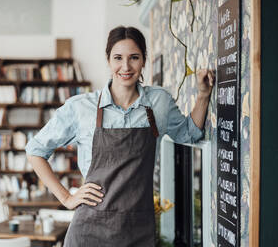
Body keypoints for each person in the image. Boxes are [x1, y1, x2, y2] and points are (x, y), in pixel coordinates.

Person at [25, 26, 214, 246]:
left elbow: (188, 134)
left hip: (138, 230)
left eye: (134, 57)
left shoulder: (159, 102)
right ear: (108, 60)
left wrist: (203, 95)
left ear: (144, 60)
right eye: (118, 58)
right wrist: (67, 198)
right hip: (89, 232)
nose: (126, 66)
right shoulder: (80, 107)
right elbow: (35, 151)